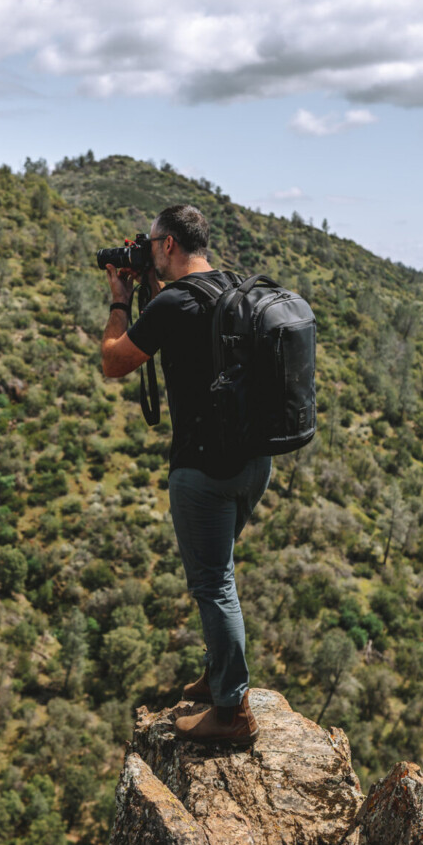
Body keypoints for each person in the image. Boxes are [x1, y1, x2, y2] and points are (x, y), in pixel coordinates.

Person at [100, 204, 270, 746]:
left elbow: (114, 362)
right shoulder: (236, 289)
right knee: (217, 573)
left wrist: (121, 300)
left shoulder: (172, 303)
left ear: (168, 245)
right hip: (253, 463)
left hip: (204, 470)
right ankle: (217, 675)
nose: (147, 251)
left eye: (151, 244)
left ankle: (231, 711)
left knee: (213, 583)